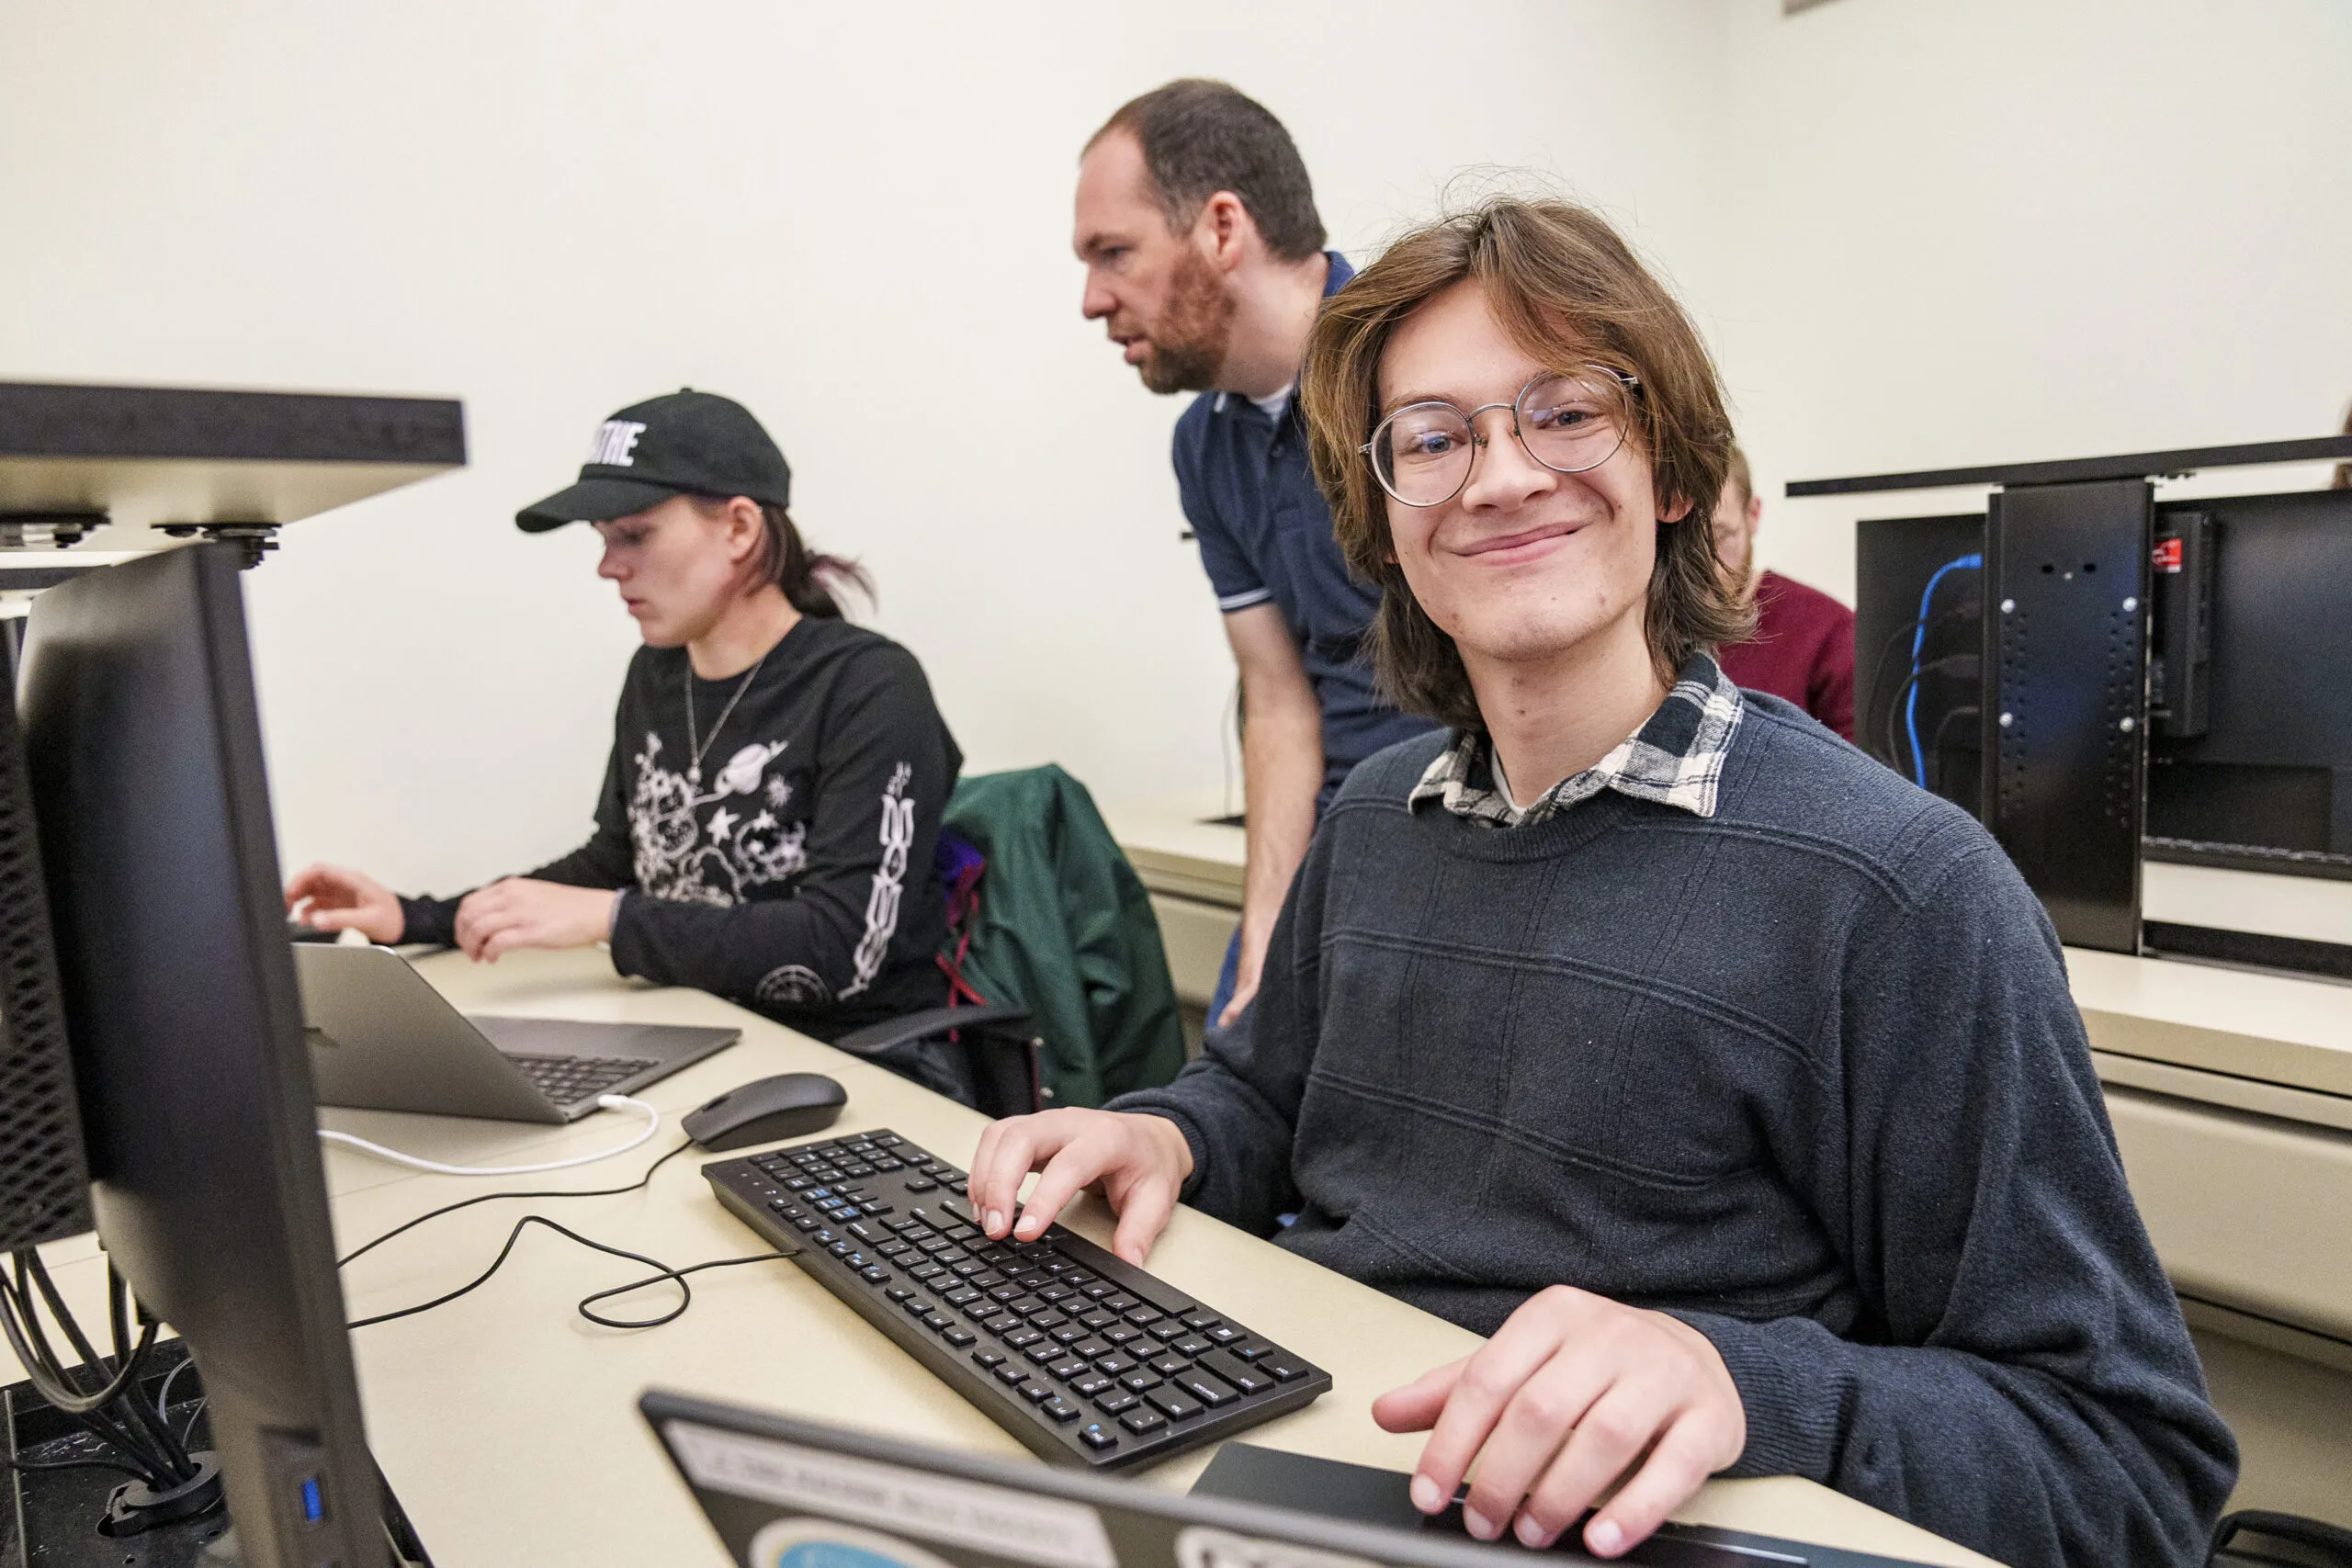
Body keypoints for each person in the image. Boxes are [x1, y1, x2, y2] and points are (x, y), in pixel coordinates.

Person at [967, 197, 2235, 1565]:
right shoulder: (1379, 814)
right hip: (1313, 1476)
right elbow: (1268, 1095)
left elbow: (2128, 1462)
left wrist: (1741, 1383)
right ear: (1383, 518)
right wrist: (1170, 1135)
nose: (1502, 475)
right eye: (1435, 439)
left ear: (1676, 472)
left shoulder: (1901, 892)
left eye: (1567, 413)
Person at [287, 389, 967, 1089]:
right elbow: (618, 861)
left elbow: (840, 947)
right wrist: (413, 916)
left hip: (859, 1063)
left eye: (634, 535)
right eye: (604, 540)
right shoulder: (656, 674)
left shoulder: (872, 687)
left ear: (739, 528)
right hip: (704, 1033)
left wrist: (610, 919)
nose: (608, 566)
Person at [1074, 79, 1437, 1028]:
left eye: (1114, 253)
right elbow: (1278, 699)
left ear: (1221, 227)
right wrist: (1266, 937)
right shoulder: (1205, 443)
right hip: (1340, 830)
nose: (1090, 300)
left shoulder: (1415, 370)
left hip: (1463, 827)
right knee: (1242, 1050)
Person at [1710, 445, 1855, 739]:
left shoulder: (1828, 630)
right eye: (1682, 543)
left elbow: (1868, 774)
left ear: (1753, 514)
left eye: (1720, 536)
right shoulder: (1640, 627)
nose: (1702, 565)